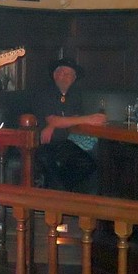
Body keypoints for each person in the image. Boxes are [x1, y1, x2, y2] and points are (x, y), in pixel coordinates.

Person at [33, 58, 106, 193]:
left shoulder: (75, 94)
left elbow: (74, 118)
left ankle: (60, 190)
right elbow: (52, 119)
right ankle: (58, 191)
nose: (65, 77)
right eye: (62, 72)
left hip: (64, 142)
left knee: (89, 164)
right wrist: (88, 119)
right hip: (42, 144)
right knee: (47, 161)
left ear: (74, 78)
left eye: (69, 74)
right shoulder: (44, 92)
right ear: (55, 75)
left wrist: (55, 124)